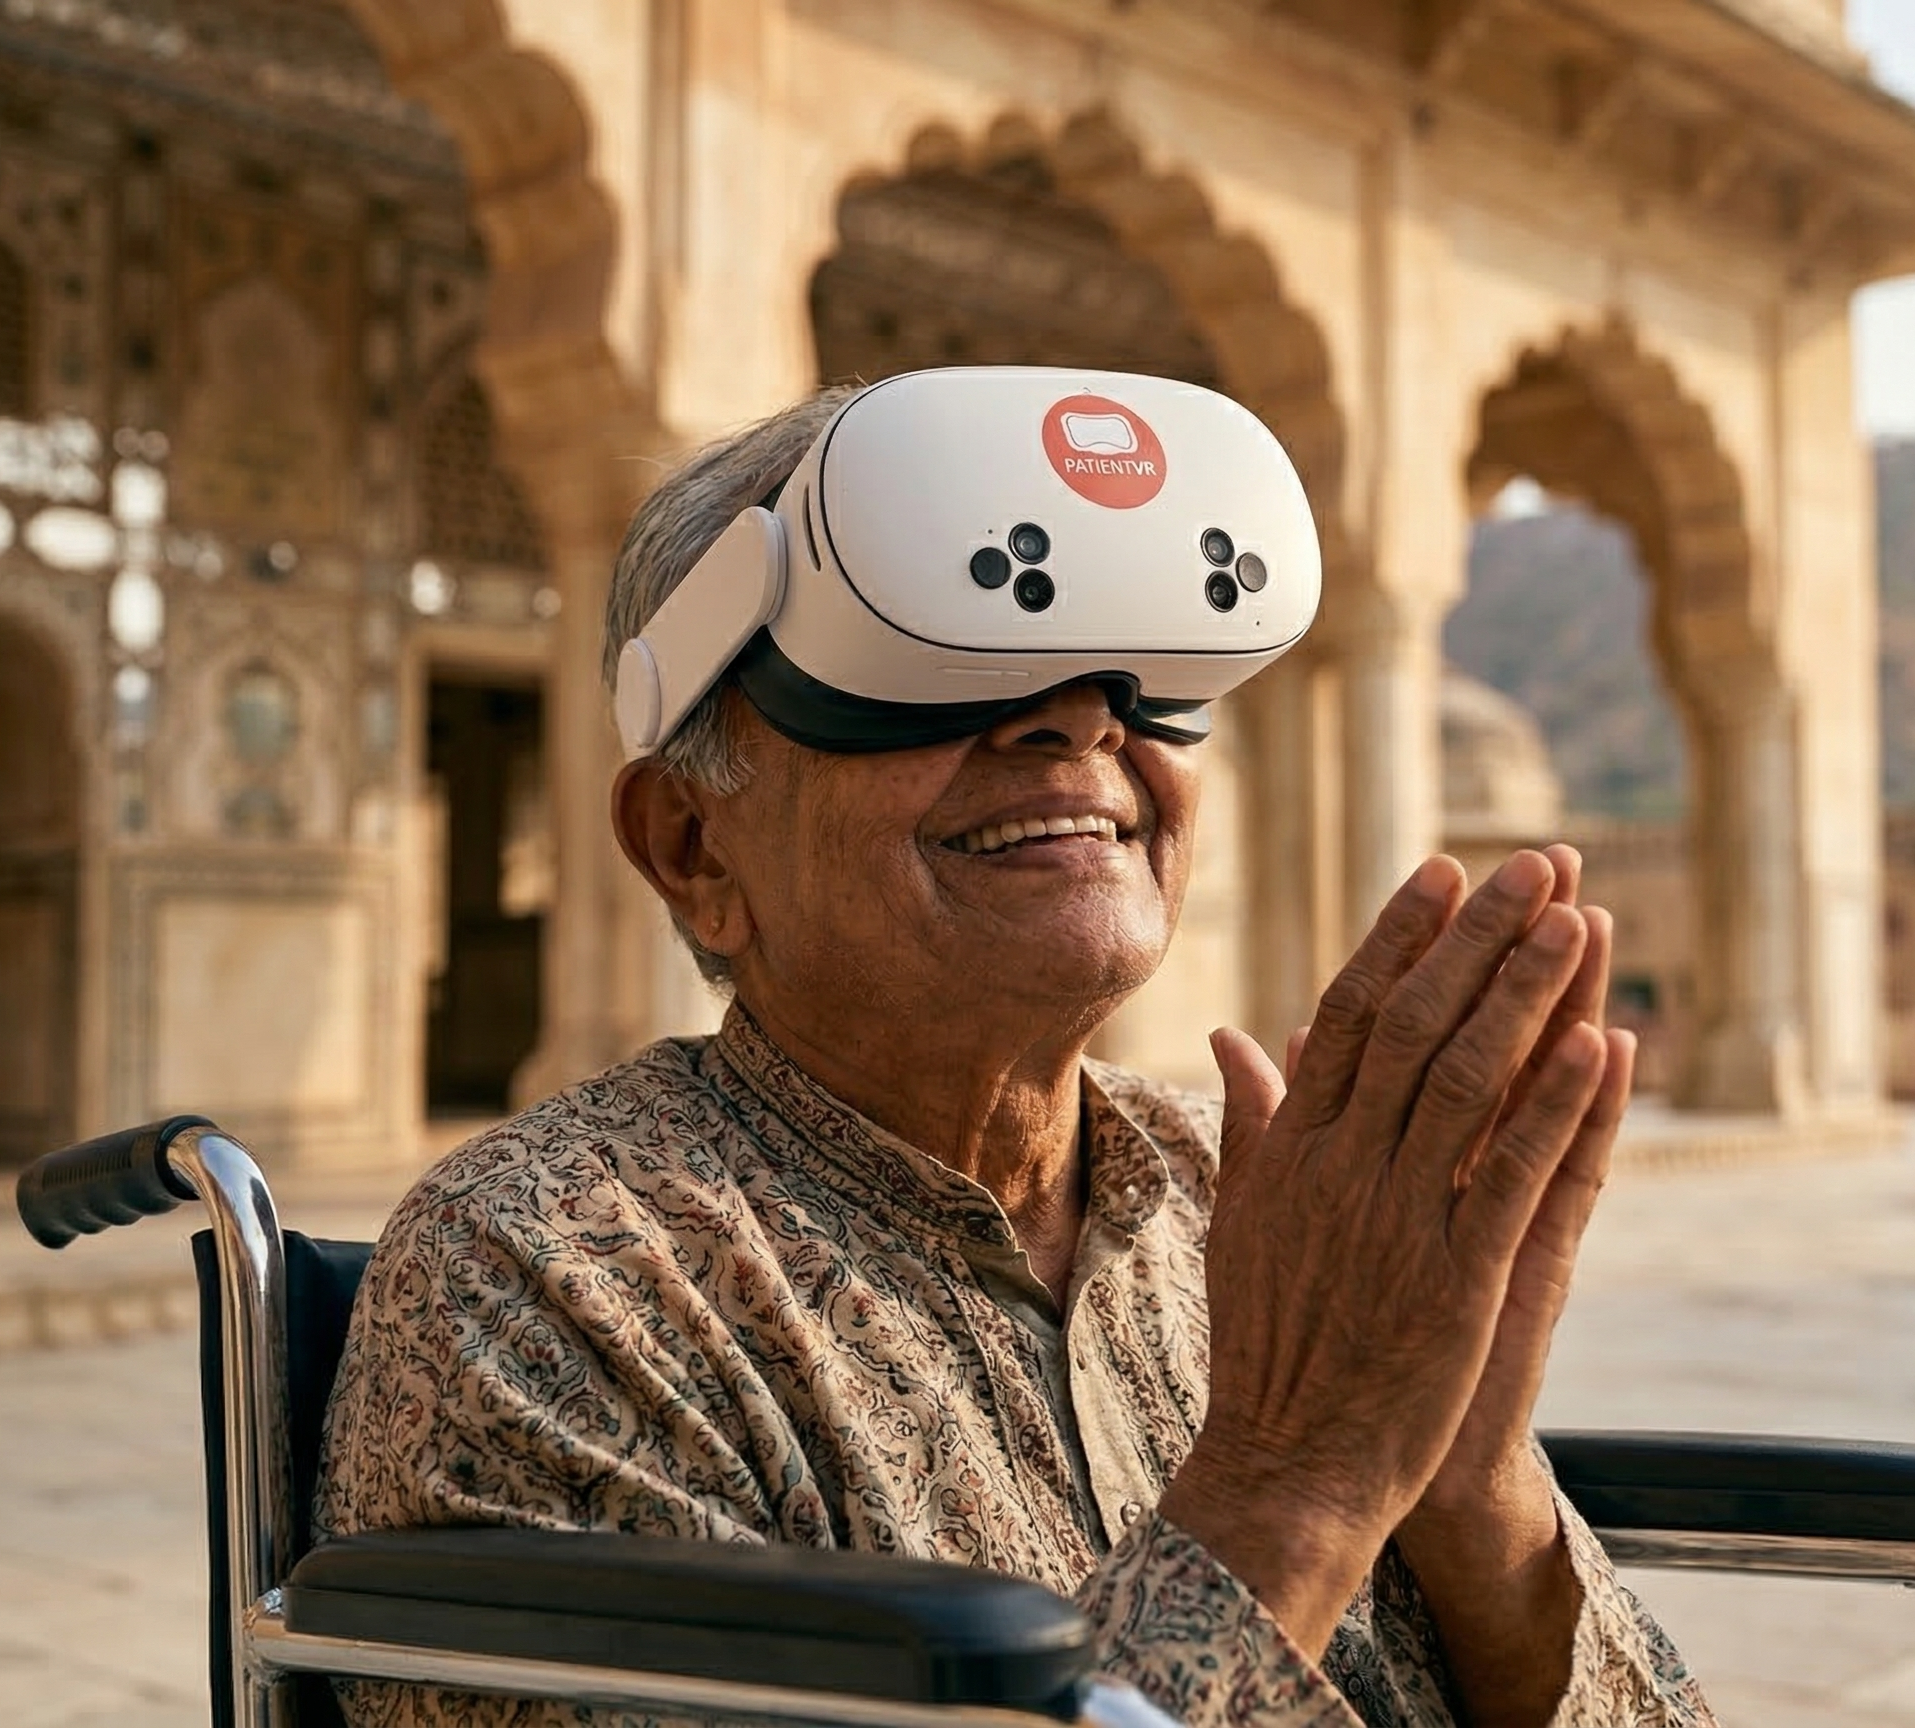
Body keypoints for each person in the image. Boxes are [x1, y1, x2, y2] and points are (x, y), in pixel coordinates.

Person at [317, 378, 1717, 1728]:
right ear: (694, 845)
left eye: (1140, 672)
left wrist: (1473, 1482)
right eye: (924, 658)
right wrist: (1298, 1477)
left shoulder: (1253, 1195)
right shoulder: (556, 1277)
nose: (1082, 717)